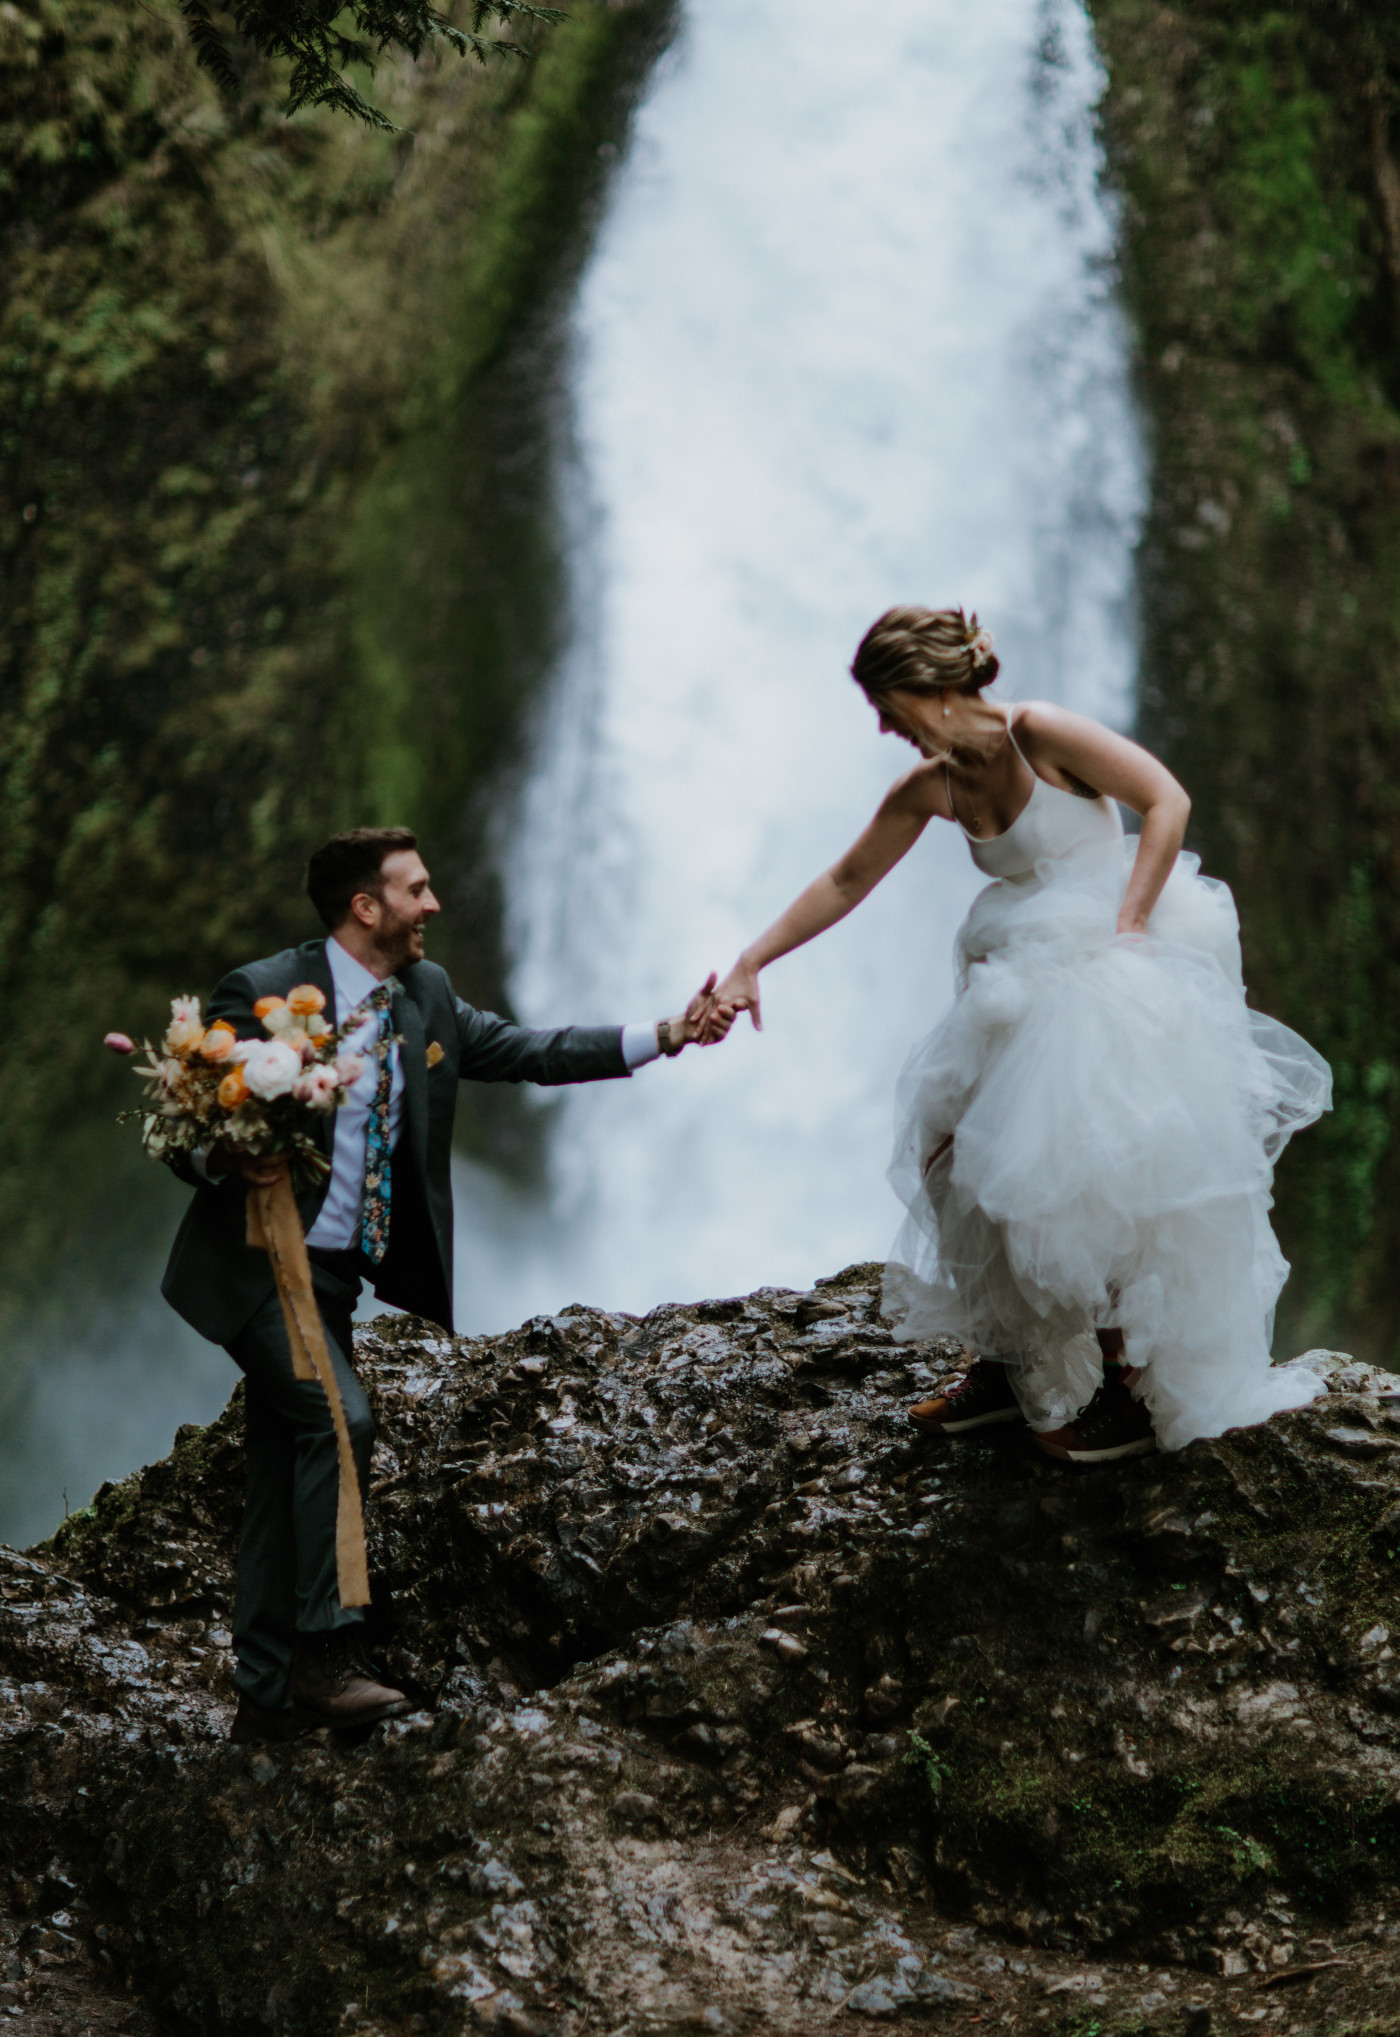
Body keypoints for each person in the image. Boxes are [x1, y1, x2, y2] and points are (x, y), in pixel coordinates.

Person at [704, 606, 1331, 1464]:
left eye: (887, 703)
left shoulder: (1039, 733)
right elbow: (846, 877)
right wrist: (750, 961)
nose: (883, 724)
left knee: (1102, 1173)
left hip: (1113, 968)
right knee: (953, 1158)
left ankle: (1129, 1392)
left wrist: (1131, 929)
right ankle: (1004, 1366)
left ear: (933, 686)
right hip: (1017, 987)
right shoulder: (933, 785)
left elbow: (1166, 799)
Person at [163, 827, 736, 1744]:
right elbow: (187, 1129)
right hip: (258, 1264)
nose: (434, 905)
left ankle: (263, 1692)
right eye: (417, 890)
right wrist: (231, 1152)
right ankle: (323, 1658)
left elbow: (527, 1050)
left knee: (284, 1458)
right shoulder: (263, 989)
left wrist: (667, 1034)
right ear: (367, 907)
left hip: (339, 1281)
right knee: (339, 1420)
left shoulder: (423, 995)